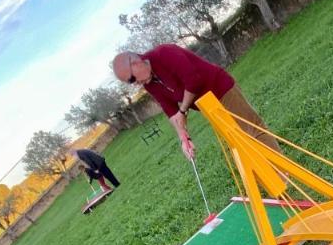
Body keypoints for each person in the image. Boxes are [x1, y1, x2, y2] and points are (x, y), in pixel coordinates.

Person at [111, 44, 279, 159]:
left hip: (221, 90)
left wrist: (183, 110)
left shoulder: (164, 53)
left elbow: (193, 81)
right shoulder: (149, 83)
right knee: (236, 138)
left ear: (136, 62)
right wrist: (184, 137)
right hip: (207, 105)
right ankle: (265, 175)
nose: (135, 84)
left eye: (132, 79)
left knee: (252, 128)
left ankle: (282, 173)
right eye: (130, 83)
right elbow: (170, 110)